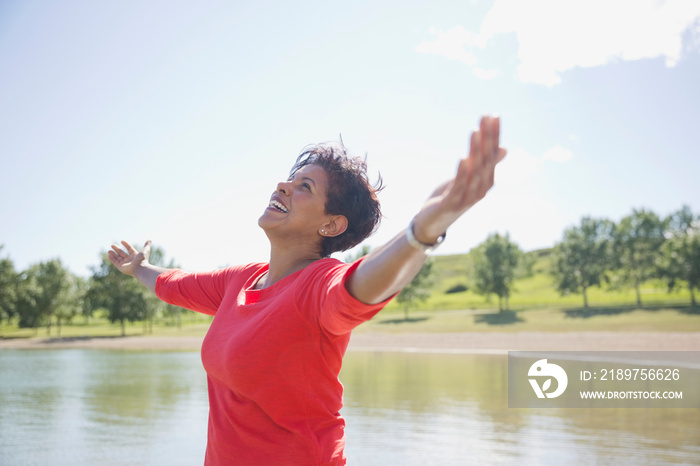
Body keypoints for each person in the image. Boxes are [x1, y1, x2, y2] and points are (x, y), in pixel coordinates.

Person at [108, 116, 507, 465]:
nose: (282, 186)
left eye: (305, 187)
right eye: (290, 179)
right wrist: (138, 268)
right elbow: (172, 283)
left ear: (331, 225)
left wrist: (421, 232)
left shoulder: (318, 286)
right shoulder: (239, 281)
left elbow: (363, 284)